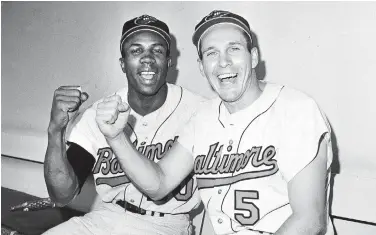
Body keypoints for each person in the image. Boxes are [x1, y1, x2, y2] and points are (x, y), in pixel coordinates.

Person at [94, 10, 335, 235]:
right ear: (201, 67)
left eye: (234, 49)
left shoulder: (295, 109)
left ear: (253, 57)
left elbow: (309, 220)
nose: (223, 62)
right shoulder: (203, 118)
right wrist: (116, 138)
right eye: (211, 53)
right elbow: (158, 184)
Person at [43, 14, 203, 235]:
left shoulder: (199, 111)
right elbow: (61, 196)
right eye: (136, 51)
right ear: (122, 63)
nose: (147, 58)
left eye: (157, 50)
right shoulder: (98, 113)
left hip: (166, 224)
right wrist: (55, 129)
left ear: (168, 61)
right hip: (105, 216)